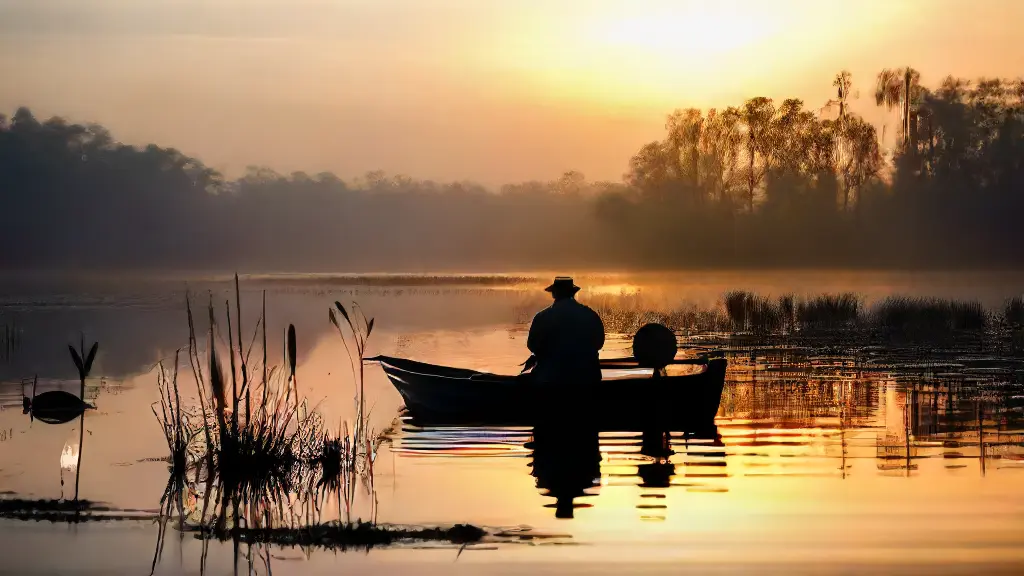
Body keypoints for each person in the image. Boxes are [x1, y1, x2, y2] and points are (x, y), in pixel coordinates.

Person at [526, 277, 605, 388]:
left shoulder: (542, 316)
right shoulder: (590, 314)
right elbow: (599, 343)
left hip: (550, 378)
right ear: (573, 293)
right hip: (587, 377)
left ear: (553, 294)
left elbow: (532, 345)